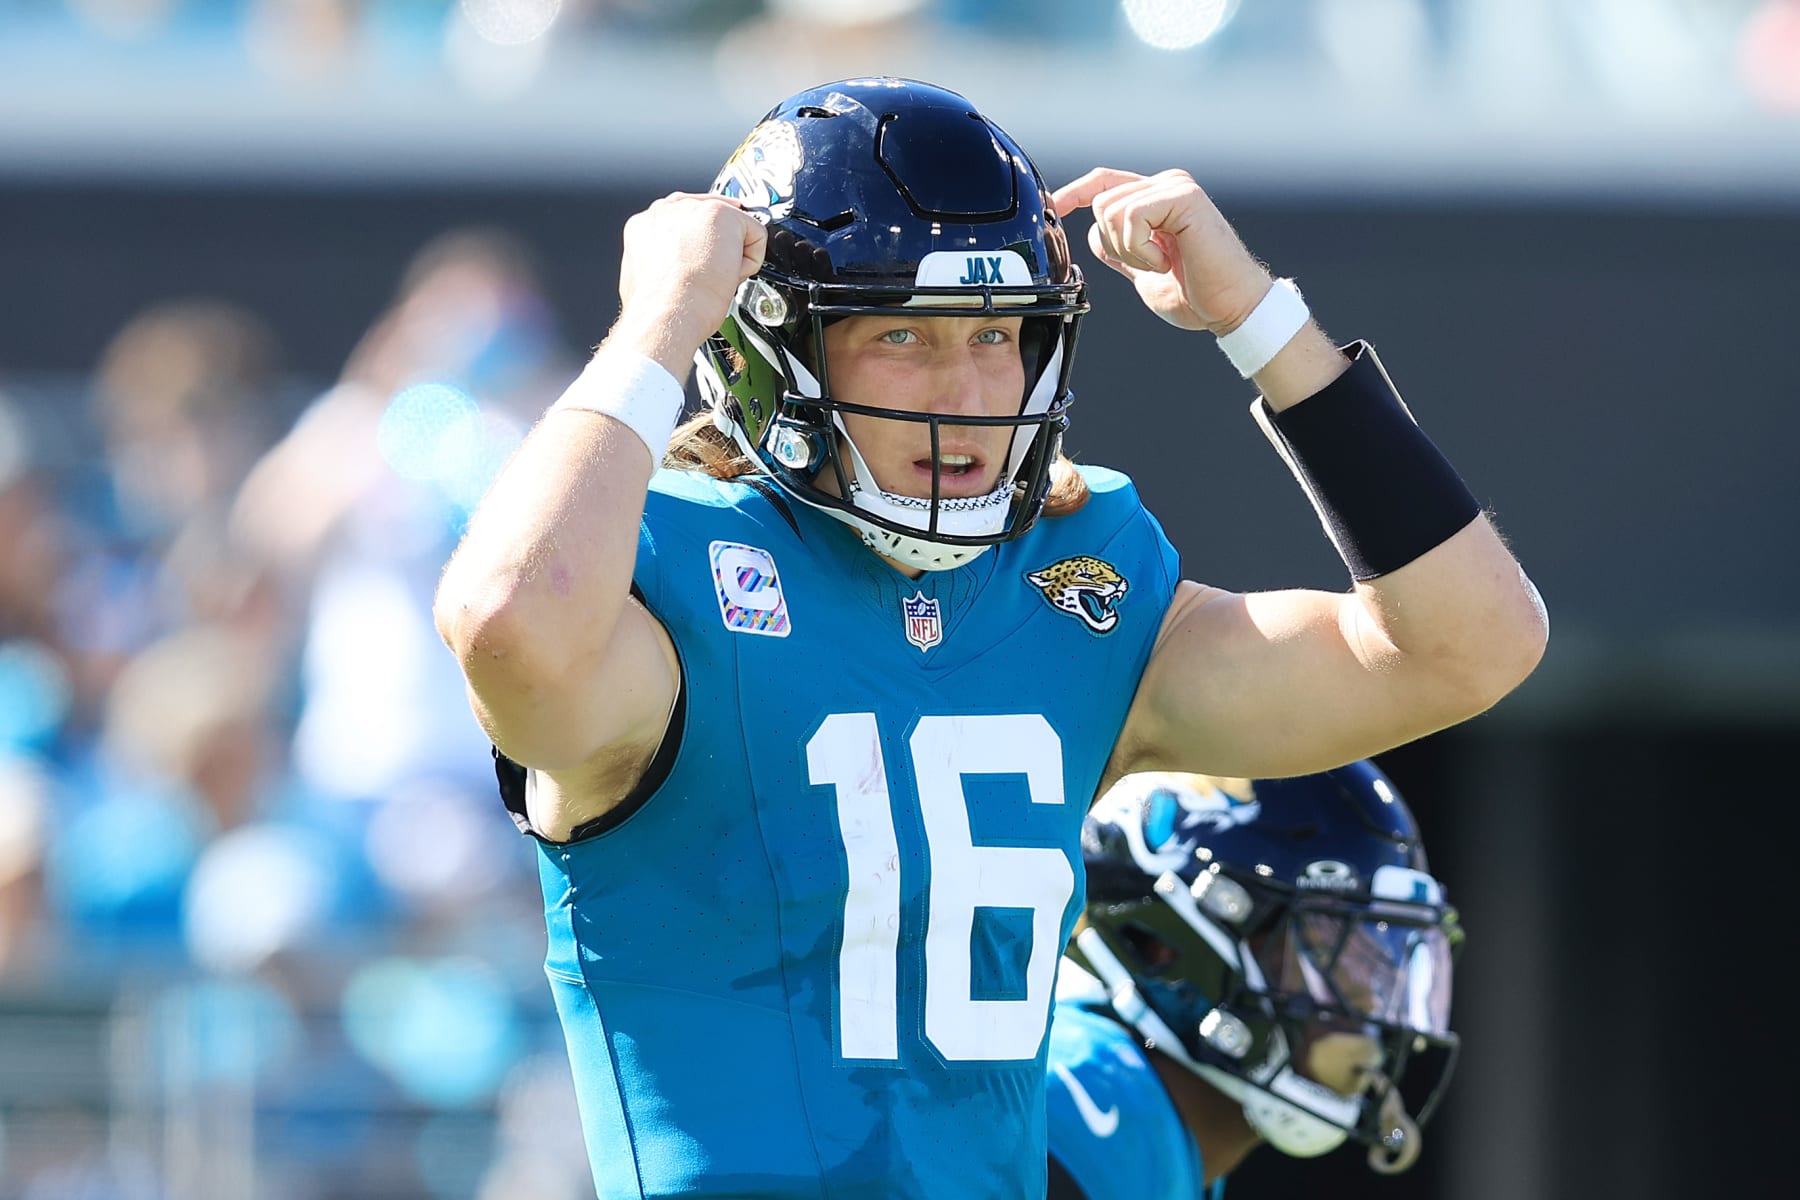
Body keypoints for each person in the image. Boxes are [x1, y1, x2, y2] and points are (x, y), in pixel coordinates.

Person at [432, 75, 1546, 1199]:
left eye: (998, 335)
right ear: (777, 348)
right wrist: (655, 325)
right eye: (904, 339)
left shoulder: (1078, 587)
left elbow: (1471, 644)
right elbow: (509, 626)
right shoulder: (673, 573)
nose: (965, 392)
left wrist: (1262, 324)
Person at [1046, 763, 1462, 1199]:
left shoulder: (1153, 1142)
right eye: (1324, 948)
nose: (1367, 992)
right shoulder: (1069, 1114)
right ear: (1162, 943)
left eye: (1381, 960)